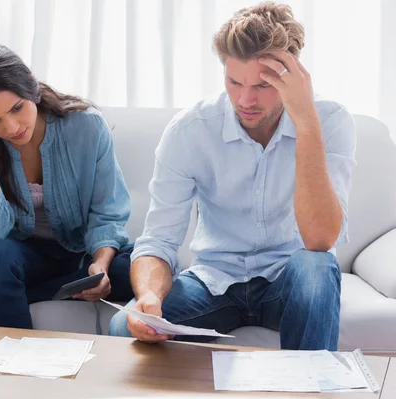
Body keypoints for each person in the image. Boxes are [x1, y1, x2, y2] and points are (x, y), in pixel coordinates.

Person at [108, 1, 356, 351]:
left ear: (295, 75)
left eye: (264, 86)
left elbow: (320, 240)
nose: (246, 99)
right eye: (234, 81)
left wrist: (306, 123)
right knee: (123, 326)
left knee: (317, 266)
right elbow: (159, 240)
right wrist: (148, 296)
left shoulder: (329, 122)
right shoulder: (190, 130)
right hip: (213, 282)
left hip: (289, 280)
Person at [0, 44, 134, 329]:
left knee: (139, 265)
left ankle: (20, 293)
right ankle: (14, 355)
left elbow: (107, 212)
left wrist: (99, 265)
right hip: (20, 257)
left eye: (17, 108)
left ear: (31, 89)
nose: (12, 127)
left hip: (80, 254)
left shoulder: (86, 126)